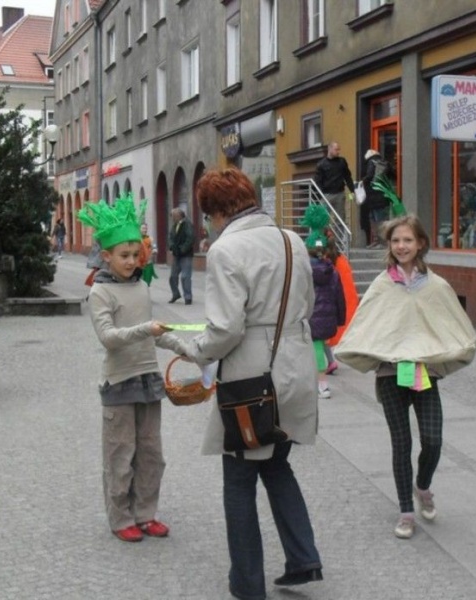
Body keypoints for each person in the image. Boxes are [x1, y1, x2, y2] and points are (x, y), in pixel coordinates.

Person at [186, 168, 322, 600]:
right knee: (278, 463)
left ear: (221, 210)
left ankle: (247, 585)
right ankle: (303, 560)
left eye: (209, 214)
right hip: (295, 370)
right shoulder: (292, 239)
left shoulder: (226, 249)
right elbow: (308, 304)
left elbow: (225, 330)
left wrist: (193, 349)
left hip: (250, 378)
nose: (208, 223)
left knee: (239, 478)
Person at [335, 215, 476, 539]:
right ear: (390, 245)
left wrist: (446, 349)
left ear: (421, 244)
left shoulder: (437, 286)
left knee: (433, 439)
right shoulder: (382, 285)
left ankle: (422, 487)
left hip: (422, 373)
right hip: (390, 373)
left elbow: (453, 324)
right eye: (396, 241)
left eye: (408, 240)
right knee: (401, 443)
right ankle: (406, 511)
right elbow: (366, 323)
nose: (401, 246)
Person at [77, 197, 189, 543]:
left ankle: (146, 513)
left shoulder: (141, 286)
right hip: (118, 384)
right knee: (120, 456)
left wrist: (192, 349)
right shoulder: (100, 292)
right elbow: (110, 338)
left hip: (148, 382)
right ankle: (121, 517)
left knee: (152, 455)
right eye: (122, 256)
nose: (130, 261)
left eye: (134, 254)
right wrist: (147, 330)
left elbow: (155, 333)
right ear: (106, 256)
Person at [306, 237, 345, 399]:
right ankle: (319, 383)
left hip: (309, 317)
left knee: (314, 350)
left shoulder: (304, 271)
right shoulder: (333, 271)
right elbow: (339, 297)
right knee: (318, 347)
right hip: (327, 318)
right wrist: (340, 319)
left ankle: (322, 385)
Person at [325, 237, 359, 375]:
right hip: (341, 300)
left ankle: (328, 363)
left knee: (320, 336)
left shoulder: (326, 263)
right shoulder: (342, 260)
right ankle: (330, 361)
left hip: (328, 302)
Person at [314, 141, 355, 225]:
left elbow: (347, 177)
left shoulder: (342, 161)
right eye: (336, 149)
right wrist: (321, 195)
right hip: (326, 194)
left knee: (341, 218)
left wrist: (352, 191)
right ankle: (323, 237)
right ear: (330, 149)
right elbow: (318, 181)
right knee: (322, 218)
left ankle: (340, 238)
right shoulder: (321, 164)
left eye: (339, 150)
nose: (338, 152)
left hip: (339, 193)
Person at [362, 149, 391, 248]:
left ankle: (379, 241)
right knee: (381, 219)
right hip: (383, 195)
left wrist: (362, 181)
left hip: (373, 196)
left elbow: (369, 176)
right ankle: (381, 241)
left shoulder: (371, 162)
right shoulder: (384, 163)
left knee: (375, 219)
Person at [167, 207, 194, 304]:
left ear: (178, 215)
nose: (172, 218)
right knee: (173, 276)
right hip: (176, 254)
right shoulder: (174, 225)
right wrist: (171, 246)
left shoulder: (187, 224)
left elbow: (190, 238)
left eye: (173, 216)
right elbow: (170, 236)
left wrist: (183, 249)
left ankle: (188, 297)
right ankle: (175, 294)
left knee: (185, 276)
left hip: (185, 255)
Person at [137, 222, 158, 286]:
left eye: (146, 228)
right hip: (139, 263)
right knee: (139, 280)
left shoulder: (150, 239)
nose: (144, 230)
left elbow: (154, 247)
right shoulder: (136, 238)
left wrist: (154, 250)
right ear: (139, 229)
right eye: (143, 228)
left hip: (148, 262)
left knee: (147, 280)